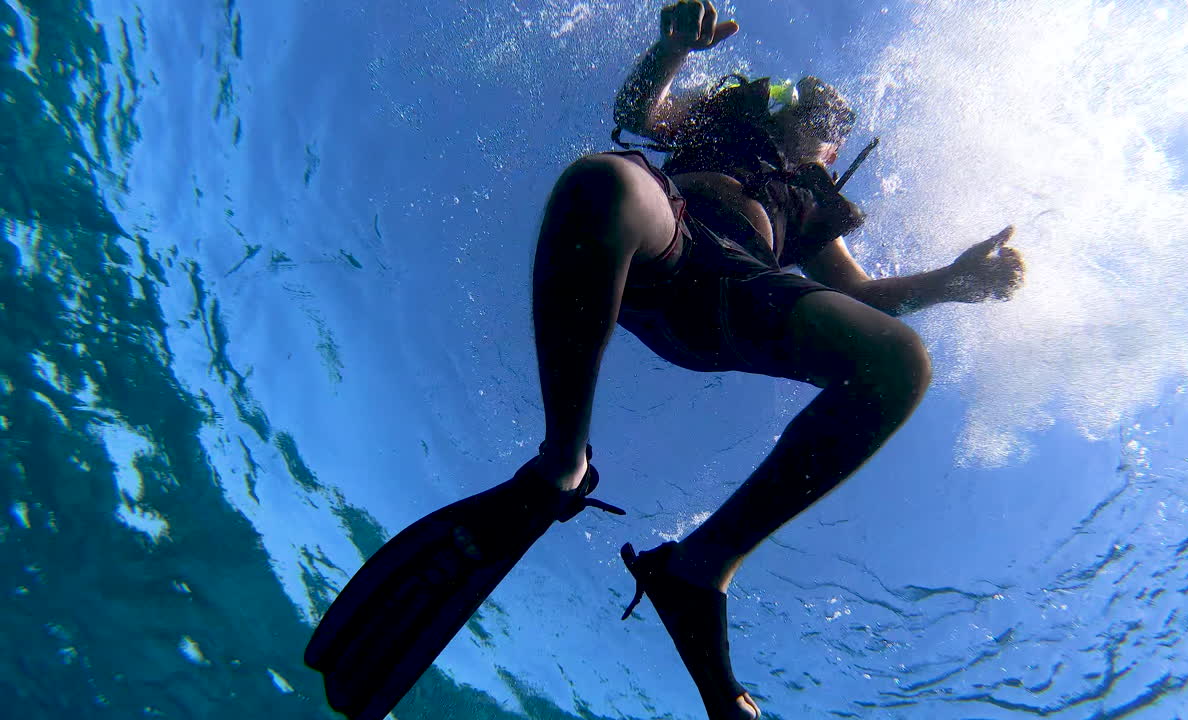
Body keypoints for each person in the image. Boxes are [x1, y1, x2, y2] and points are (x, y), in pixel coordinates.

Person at [303, 2, 1024, 719]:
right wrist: (672, 49)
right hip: (663, 238)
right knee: (602, 180)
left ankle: (700, 568)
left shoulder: (814, 204)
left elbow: (863, 292)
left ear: (833, 155)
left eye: (830, 123)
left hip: (742, 296)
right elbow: (639, 109)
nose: (812, 116)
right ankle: (562, 464)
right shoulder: (721, 117)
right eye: (806, 100)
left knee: (898, 363)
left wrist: (952, 285)